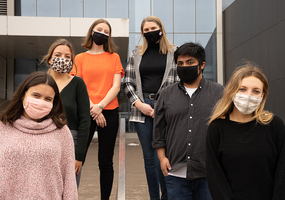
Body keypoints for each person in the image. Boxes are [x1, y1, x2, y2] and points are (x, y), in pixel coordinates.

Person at [0, 71, 77, 199]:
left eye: (48, 99)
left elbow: (69, 180)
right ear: (23, 94)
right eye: (36, 95)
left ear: (54, 102)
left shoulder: (62, 132)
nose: (41, 102)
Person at [152, 42, 224, 200]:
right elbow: (158, 131)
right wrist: (162, 158)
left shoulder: (219, 92)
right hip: (175, 173)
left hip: (209, 173)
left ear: (202, 65)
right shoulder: (165, 94)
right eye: (180, 63)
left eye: (190, 62)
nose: (184, 66)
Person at [206, 63, 285, 200]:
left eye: (256, 91)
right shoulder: (216, 128)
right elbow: (215, 177)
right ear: (232, 91)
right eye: (242, 89)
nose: (249, 95)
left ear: (262, 95)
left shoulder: (275, 125)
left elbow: (282, 172)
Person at [123, 15, 178, 200]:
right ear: (142, 33)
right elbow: (128, 83)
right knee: (149, 158)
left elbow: (179, 82)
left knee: (164, 155)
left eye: (152, 28)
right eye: (145, 30)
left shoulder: (174, 52)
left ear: (161, 29)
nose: (149, 32)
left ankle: (168, 195)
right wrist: (139, 104)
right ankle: (154, 197)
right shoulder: (136, 53)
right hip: (142, 108)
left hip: (167, 109)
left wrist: (164, 106)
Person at [69, 19, 125, 200]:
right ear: (91, 31)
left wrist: (100, 107)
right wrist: (93, 108)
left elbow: (116, 87)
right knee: (78, 157)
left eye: (106, 31)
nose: (102, 32)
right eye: (99, 29)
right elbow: (78, 86)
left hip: (108, 111)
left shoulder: (114, 57)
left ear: (109, 36)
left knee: (106, 161)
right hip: (86, 111)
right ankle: (70, 195)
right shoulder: (79, 58)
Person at [41, 38, 90, 188]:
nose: (62, 59)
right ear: (50, 59)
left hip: (71, 142)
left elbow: (85, 121)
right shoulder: (40, 82)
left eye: (67, 57)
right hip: (42, 140)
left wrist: (79, 156)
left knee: (69, 188)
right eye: (58, 55)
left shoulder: (78, 83)